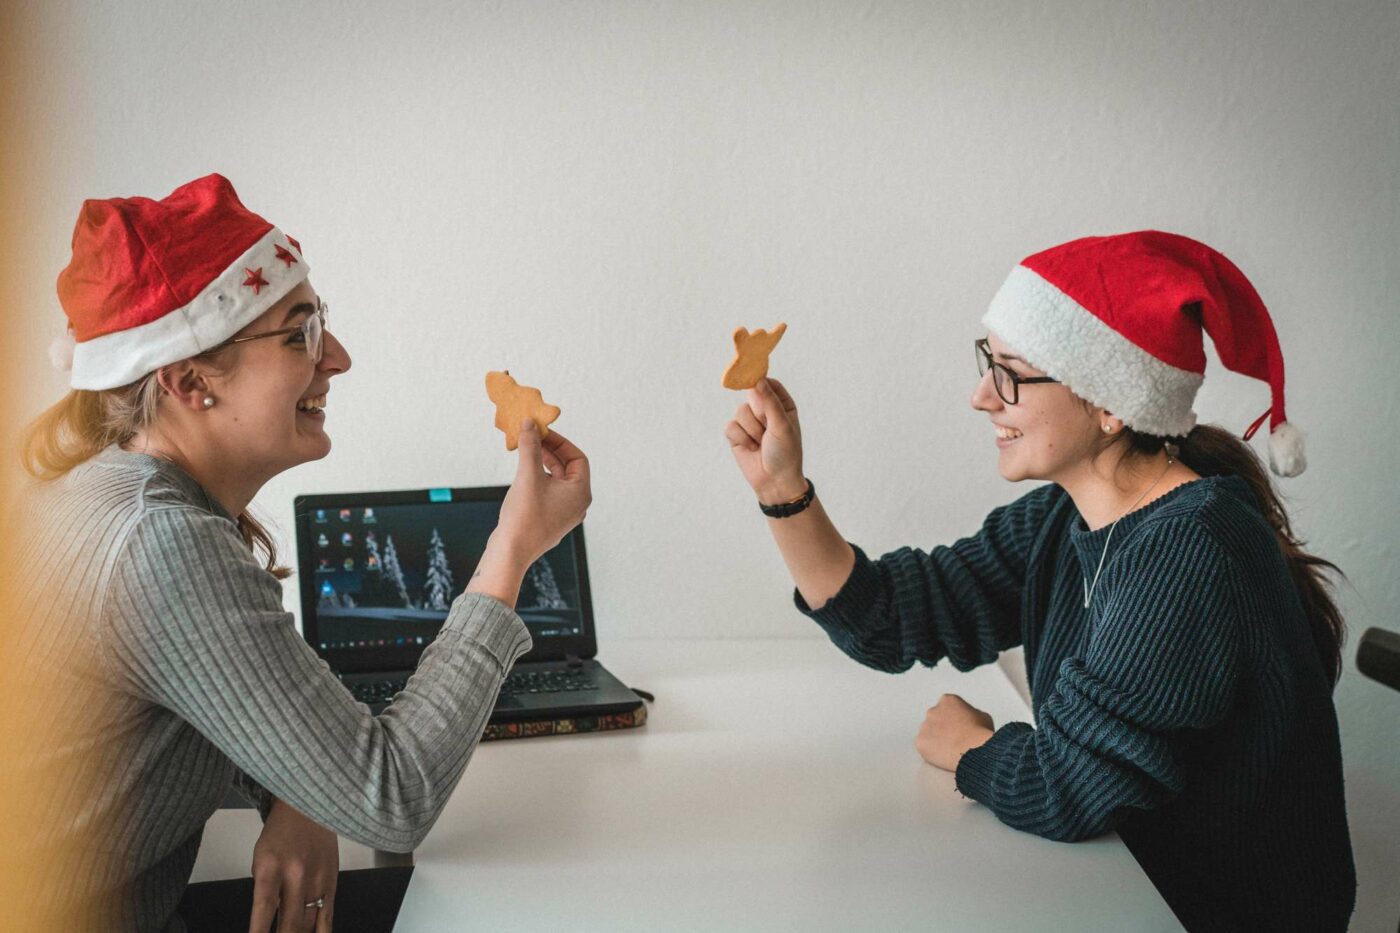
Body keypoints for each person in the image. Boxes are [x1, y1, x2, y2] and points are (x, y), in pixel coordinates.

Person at [7, 174, 591, 932]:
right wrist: (514, 549)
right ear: (189, 381)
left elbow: (207, 688)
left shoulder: (107, 491)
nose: (338, 357)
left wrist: (293, 790)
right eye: (299, 333)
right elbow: (394, 795)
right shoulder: (158, 543)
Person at [724, 231, 1355, 931]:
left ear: (1112, 405)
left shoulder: (1191, 547)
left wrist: (968, 746)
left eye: (1012, 373)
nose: (980, 396)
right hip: (1122, 891)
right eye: (986, 363)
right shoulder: (1068, 516)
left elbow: (1069, 787)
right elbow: (897, 616)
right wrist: (783, 488)